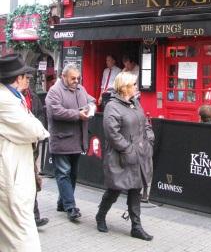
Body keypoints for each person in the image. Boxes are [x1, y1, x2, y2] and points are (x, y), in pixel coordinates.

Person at [95, 71, 154, 241]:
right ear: (125, 87)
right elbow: (112, 134)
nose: (136, 87)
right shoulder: (112, 106)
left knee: (135, 189)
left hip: (139, 155)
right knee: (114, 190)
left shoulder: (135, 102)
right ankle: (101, 215)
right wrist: (128, 149)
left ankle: (136, 226)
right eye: (133, 84)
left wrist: (149, 139)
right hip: (120, 156)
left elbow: (145, 123)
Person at [0, 54, 49, 252]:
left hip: (17, 172)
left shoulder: (12, 96)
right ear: (17, 78)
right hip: (11, 175)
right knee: (23, 240)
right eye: (25, 76)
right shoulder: (5, 100)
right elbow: (36, 130)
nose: (28, 79)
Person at [45, 64, 95, 221]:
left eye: (78, 78)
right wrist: (77, 114)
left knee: (72, 174)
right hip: (61, 141)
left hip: (77, 141)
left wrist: (92, 106)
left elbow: (91, 100)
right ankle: (70, 206)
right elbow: (56, 111)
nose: (76, 81)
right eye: (73, 78)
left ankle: (62, 202)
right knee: (63, 174)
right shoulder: (54, 91)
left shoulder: (81, 89)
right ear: (63, 77)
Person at [23, 82, 49, 228]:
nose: (26, 81)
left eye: (27, 78)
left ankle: (34, 216)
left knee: (33, 179)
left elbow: (40, 115)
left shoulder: (33, 96)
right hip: (20, 146)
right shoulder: (11, 99)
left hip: (32, 145)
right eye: (23, 78)